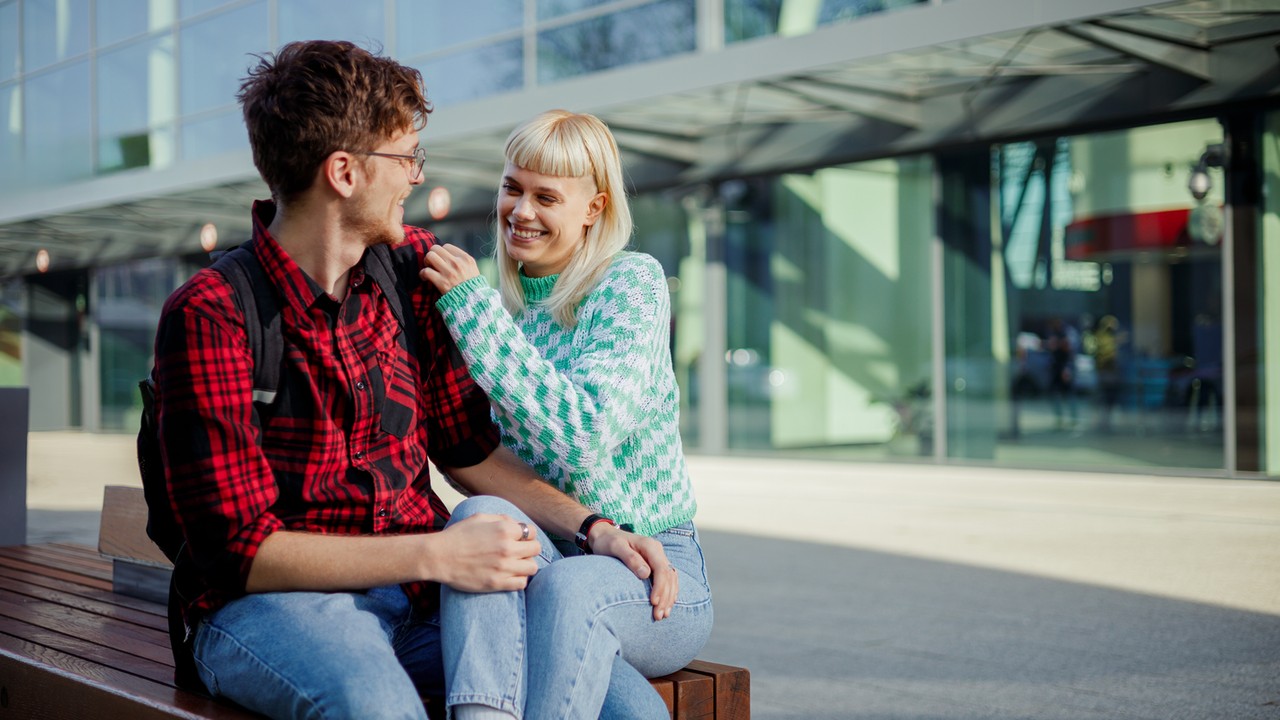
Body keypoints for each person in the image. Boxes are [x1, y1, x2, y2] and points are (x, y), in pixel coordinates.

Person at [152, 42, 676, 720]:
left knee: (631, 712)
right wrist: (437, 554)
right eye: (405, 158)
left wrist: (594, 528)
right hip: (267, 610)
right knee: (380, 708)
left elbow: (471, 453)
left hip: (423, 598)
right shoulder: (214, 312)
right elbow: (240, 554)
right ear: (343, 172)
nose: (415, 179)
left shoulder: (412, 275)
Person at [420, 109, 713, 719]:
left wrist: (475, 318)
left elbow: (583, 435)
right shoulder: (493, 305)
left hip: (651, 570)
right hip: (549, 557)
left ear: (594, 208)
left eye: (546, 196)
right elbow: (473, 457)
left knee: (569, 589)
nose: (521, 211)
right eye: (512, 188)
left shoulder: (629, 285)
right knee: (480, 517)